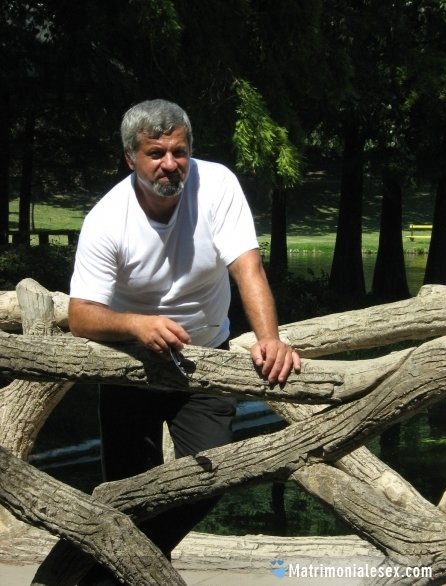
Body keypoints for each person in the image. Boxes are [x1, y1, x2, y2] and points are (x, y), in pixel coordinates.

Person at [69, 98, 300, 584]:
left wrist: (270, 340)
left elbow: (248, 268)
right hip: (129, 366)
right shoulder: (107, 219)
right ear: (130, 158)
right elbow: (81, 316)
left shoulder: (217, 185)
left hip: (204, 358)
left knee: (210, 478)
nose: (170, 164)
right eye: (156, 153)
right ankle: (128, 570)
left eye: (179, 151)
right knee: (130, 495)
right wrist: (136, 326)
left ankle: (107, 569)